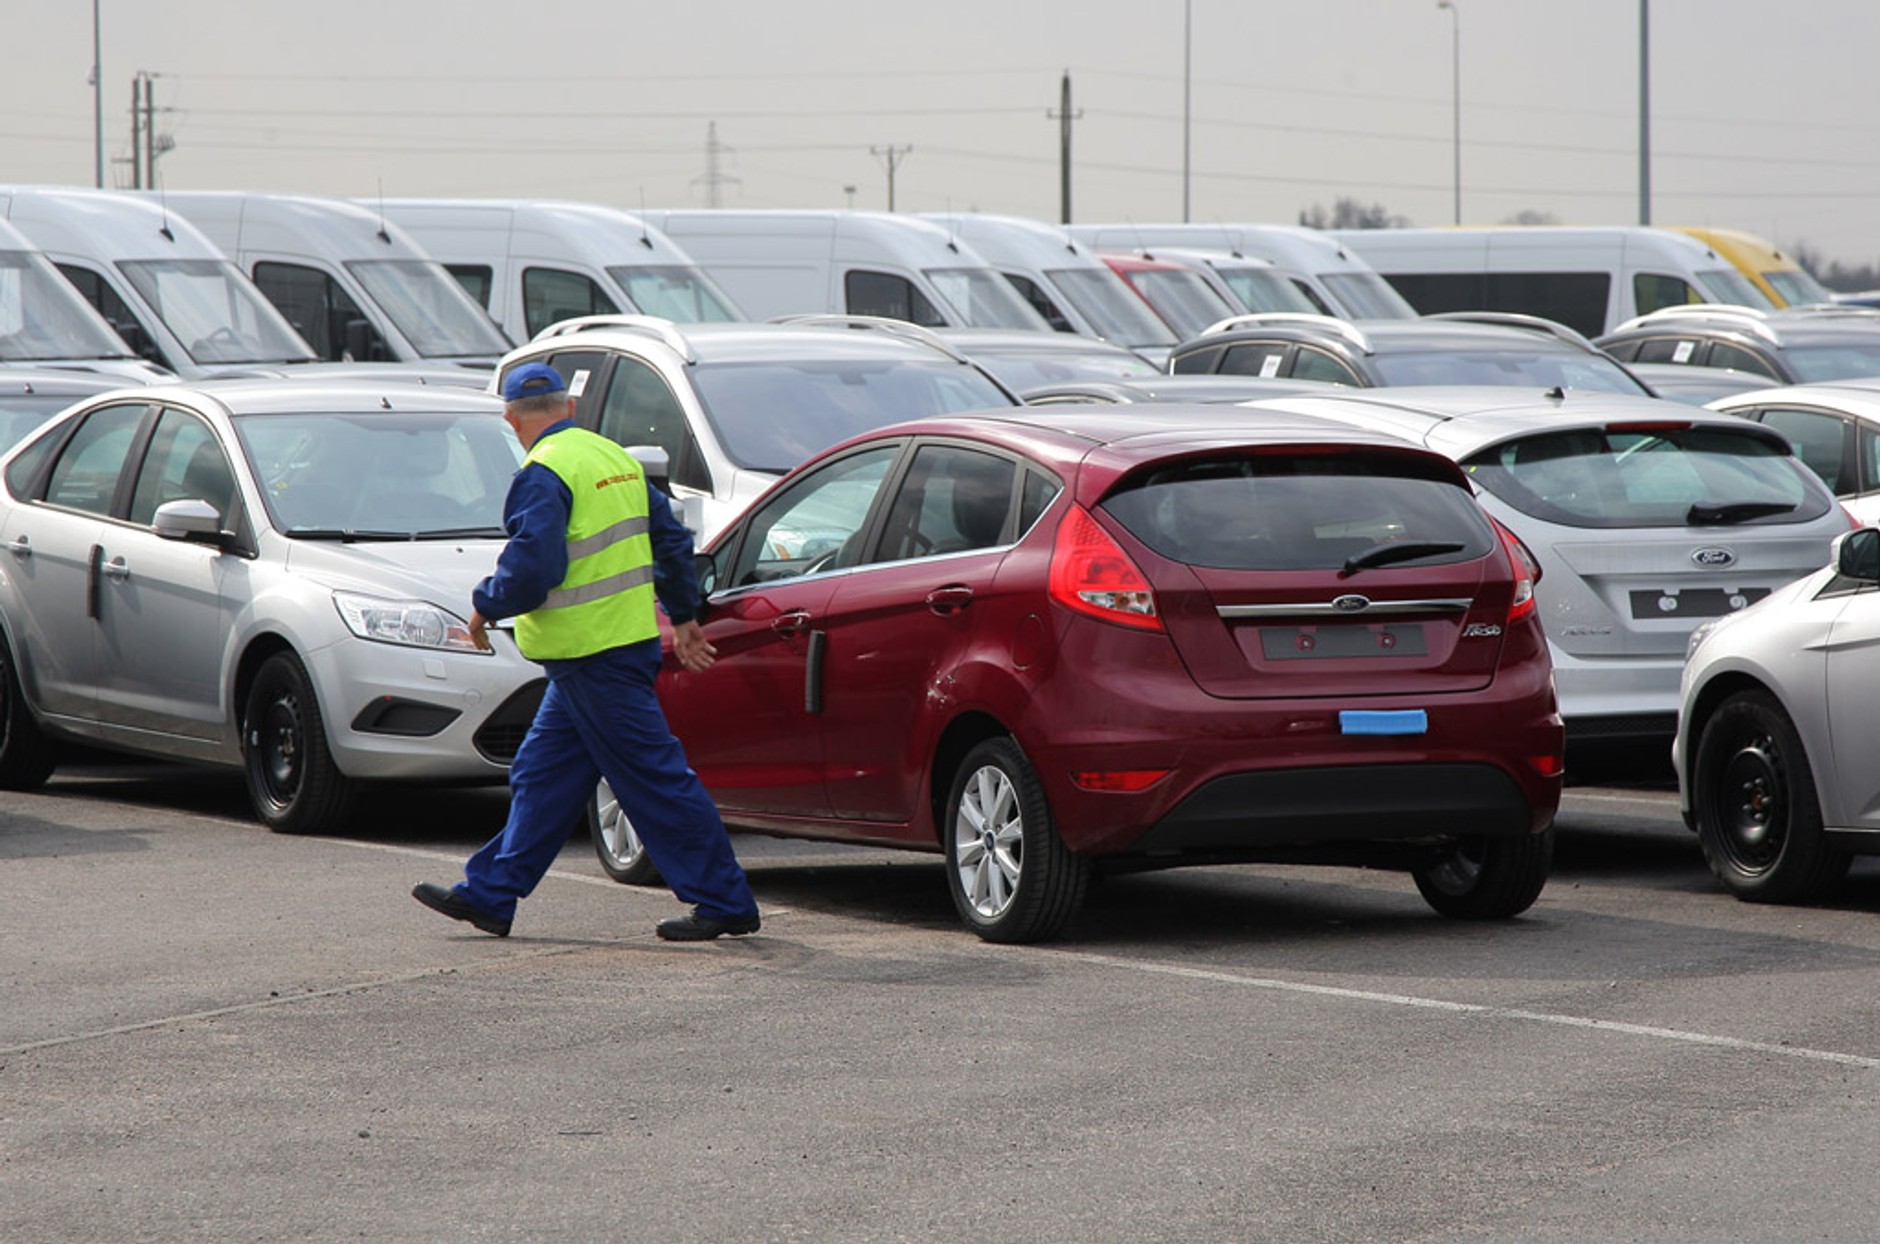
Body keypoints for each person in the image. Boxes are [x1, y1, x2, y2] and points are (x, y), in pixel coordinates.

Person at [412, 362, 760, 941]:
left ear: (510, 420)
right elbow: (671, 540)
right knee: (542, 776)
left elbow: (535, 567)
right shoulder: (613, 458)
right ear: (568, 409)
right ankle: (492, 895)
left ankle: (724, 900)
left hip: (592, 656)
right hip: (612, 649)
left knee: (654, 778)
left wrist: (485, 604)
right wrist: (683, 614)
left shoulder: (543, 472)